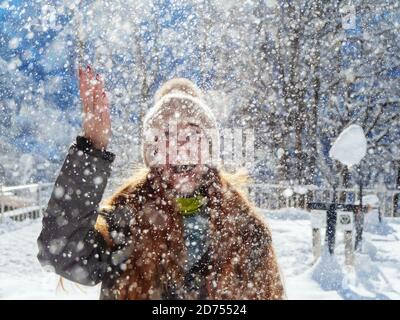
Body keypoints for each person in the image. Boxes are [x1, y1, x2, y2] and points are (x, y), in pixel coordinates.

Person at [37, 65, 284, 300]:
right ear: (151, 152)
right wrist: (92, 146)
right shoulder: (126, 218)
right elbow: (60, 254)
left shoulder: (244, 226)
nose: (180, 146)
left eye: (192, 133)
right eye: (166, 135)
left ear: (209, 148)